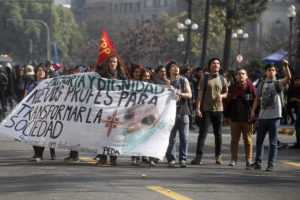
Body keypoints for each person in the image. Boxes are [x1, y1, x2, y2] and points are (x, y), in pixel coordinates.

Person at [249, 58, 291, 171]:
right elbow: (257, 99)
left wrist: (286, 67)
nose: (271, 72)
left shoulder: (278, 83)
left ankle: (270, 164)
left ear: (275, 72)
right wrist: (253, 111)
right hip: (262, 117)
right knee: (259, 141)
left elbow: (288, 78)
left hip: (275, 117)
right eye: (269, 70)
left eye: (273, 70)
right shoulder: (262, 84)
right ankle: (258, 163)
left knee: (273, 143)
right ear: (265, 72)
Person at [191, 58, 228, 165]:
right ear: (210, 65)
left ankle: (218, 156)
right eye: (213, 63)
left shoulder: (222, 79)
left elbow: (226, 93)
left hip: (218, 110)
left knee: (218, 134)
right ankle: (198, 157)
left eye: (217, 63)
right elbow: (199, 95)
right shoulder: (205, 78)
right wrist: (197, 109)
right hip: (206, 110)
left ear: (219, 66)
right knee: (202, 134)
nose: (215, 65)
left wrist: (221, 95)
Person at [96, 55, 127, 166]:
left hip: (118, 111)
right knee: (103, 135)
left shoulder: (123, 78)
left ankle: (113, 158)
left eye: (114, 62)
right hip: (105, 110)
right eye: (111, 62)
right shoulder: (102, 76)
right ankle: (103, 158)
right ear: (108, 64)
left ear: (117, 64)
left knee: (115, 135)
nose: (112, 64)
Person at [224, 68, 256, 167]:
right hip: (235, 119)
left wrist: (255, 115)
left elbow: (256, 102)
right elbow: (228, 103)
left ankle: (248, 160)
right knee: (234, 140)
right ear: (236, 76)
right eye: (239, 74)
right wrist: (226, 116)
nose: (241, 75)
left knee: (248, 141)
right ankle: (233, 159)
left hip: (247, 119)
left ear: (246, 76)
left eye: (243, 73)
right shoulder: (233, 88)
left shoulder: (251, 88)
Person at [26, 64, 56, 162]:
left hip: (45, 112)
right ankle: (36, 154)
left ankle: (39, 155)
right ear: (36, 72)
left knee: (42, 134)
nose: (41, 71)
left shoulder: (49, 83)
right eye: (39, 70)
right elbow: (25, 97)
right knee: (32, 134)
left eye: (43, 70)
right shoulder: (31, 84)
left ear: (46, 72)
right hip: (33, 112)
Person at [165, 61, 192, 168]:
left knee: (184, 138)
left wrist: (180, 93)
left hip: (183, 112)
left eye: (177, 67)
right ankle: (171, 158)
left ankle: (183, 159)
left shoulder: (184, 80)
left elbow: (189, 95)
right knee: (171, 138)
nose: (176, 68)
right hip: (169, 113)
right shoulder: (166, 81)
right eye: (173, 67)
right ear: (169, 70)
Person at [288, 75, 300, 149]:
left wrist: (295, 100)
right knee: (297, 126)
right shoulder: (294, 89)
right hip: (298, 108)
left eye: (298, 81)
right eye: (295, 81)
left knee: (298, 126)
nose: (296, 82)